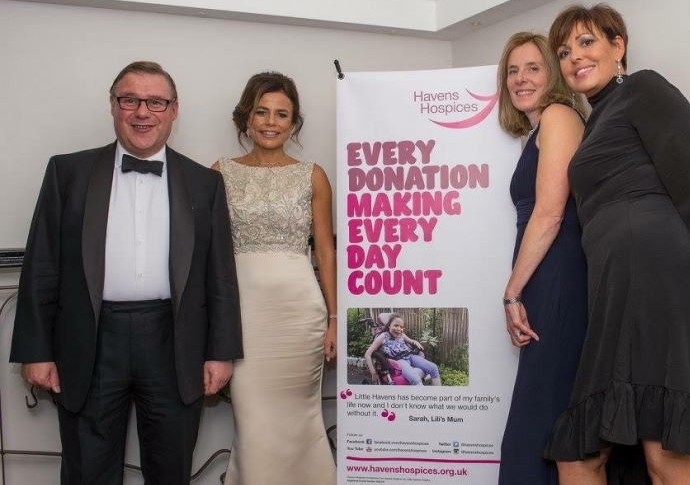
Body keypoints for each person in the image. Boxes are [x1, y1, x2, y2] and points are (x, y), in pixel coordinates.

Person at [545, 3, 690, 485]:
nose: (574, 56)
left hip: (661, 281)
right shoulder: (596, 120)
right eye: (563, 50)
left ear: (618, 48)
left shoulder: (643, 88)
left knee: (667, 447)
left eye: (586, 42)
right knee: (580, 453)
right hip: (617, 293)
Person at [9, 61, 243, 485]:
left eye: (156, 101)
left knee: (171, 468)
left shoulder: (204, 182)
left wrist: (221, 350)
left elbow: (219, 274)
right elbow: (41, 264)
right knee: (88, 470)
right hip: (91, 339)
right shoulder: (68, 172)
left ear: (174, 110)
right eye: (129, 99)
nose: (142, 112)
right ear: (113, 106)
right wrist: (36, 349)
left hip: (174, 341)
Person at [214, 71, 337, 485]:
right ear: (245, 119)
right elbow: (209, 256)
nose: (270, 121)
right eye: (261, 112)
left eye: (281, 114)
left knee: (301, 421)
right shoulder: (219, 173)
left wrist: (334, 320)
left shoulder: (313, 175)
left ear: (293, 122)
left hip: (300, 316)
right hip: (245, 318)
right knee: (255, 425)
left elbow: (325, 251)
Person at [495, 32, 589, 485]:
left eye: (532, 68)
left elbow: (550, 214)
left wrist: (511, 293)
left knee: (537, 423)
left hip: (559, 276)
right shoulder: (537, 129)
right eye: (512, 71)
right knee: (543, 416)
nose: (520, 79)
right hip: (543, 276)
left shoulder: (559, 115)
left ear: (553, 73)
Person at [364, 312, 441, 386]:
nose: (399, 329)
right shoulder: (383, 336)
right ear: (389, 325)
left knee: (434, 368)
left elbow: (411, 341)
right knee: (415, 378)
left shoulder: (402, 335)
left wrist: (416, 342)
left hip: (410, 356)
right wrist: (373, 373)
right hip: (399, 360)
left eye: (401, 327)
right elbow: (368, 354)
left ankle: (438, 395)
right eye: (396, 325)